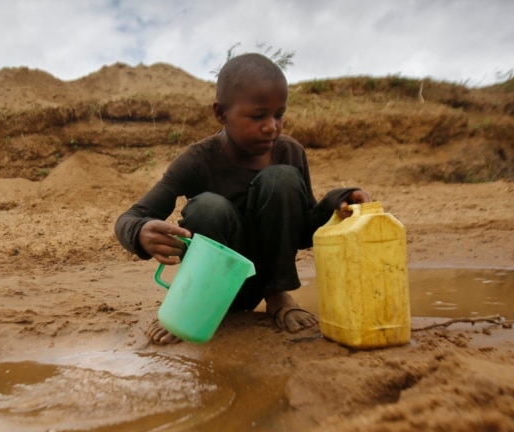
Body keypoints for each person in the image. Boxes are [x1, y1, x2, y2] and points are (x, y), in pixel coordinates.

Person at [114, 53, 372, 345]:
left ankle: (279, 298)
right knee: (208, 207)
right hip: (214, 282)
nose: (271, 127)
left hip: (266, 280)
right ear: (221, 114)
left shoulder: (290, 153)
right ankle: (197, 305)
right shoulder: (197, 161)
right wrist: (141, 232)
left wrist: (339, 202)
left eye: (279, 114)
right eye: (258, 116)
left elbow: (301, 231)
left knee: (282, 179)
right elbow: (129, 218)